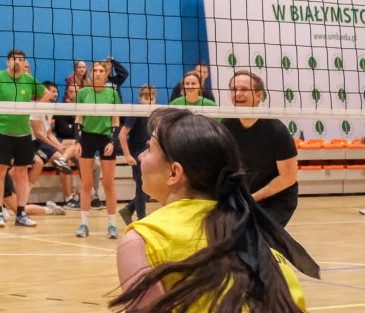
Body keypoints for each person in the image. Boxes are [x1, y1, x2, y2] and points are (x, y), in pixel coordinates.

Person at [112, 107, 317, 311]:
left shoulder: (141, 241)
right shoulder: (265, 250)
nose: (141, 156)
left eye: (149, 148)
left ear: (174, 172)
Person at [0, 49, 46, 228]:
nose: (18, 62)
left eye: (21, 59)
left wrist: (34, 109)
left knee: (22, 172)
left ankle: (21, 214)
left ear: (24, 63)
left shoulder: (29, 80)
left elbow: (46, 94)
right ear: (8, 62)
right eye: (14, 59)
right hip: (1, 132)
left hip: (24, 133)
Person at [224, 70, 299, 227]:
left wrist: (252, 198)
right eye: (234, 89)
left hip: (276, 198)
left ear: (259, 95)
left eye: (244, 89)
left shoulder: (277, 130)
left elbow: (288, 177)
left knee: (259, 235)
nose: (238, 94)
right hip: (245, 194)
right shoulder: (226, 126)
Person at [74, 61, 122, 239]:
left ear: (106, 74)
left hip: (106, 139)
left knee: (109, 184)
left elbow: (116, 120)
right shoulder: (83, 93)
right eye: (95, 70)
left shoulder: (113, 93)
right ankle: (83, 224)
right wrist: (77, 141)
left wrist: (113, 142)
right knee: (86, 184)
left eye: (101, 71)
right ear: (91, 73)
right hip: (87, 137)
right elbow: (78, 119)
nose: (98, 73)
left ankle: (112, 225)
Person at [118, 84, 157, 225]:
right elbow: (122, 135)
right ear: (140, 99)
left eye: (151, 98)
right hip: (137, 156)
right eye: (146, 98)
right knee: (142, 187)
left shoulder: (154, 115)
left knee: (148, 189)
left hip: (150, 154)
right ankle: (141, 219)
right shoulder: (136, 113)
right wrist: (128, 156)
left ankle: (129, 209)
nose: (149, 101)